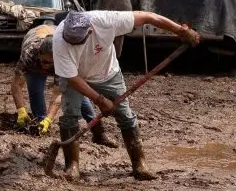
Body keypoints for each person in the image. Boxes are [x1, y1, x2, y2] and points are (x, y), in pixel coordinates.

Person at [53, 11, 200, 181]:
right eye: (70, 41)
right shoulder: (60, 39)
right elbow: (72, 78)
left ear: (90, 31)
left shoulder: (106, 21)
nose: (73, 46)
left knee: (125, 115)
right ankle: (72, 166)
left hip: (107, 73)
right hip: (76, 77)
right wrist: (100, 100)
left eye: (77, 42)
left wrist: (181, 31)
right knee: (70, 116)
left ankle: (139, 164)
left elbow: (148, 17)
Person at [10, 24, 116, 147]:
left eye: (50, 63)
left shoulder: (63, 58)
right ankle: (39, 126)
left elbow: (58, 93)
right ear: (39, 54)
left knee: (77, 92)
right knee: (35, 91)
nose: (46, 66)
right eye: (45, 61)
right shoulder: (29, 53)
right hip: (34, 59)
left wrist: (50, 118)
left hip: (59, 59)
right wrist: (21, 110)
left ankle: (98, 133)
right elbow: (17, 84)